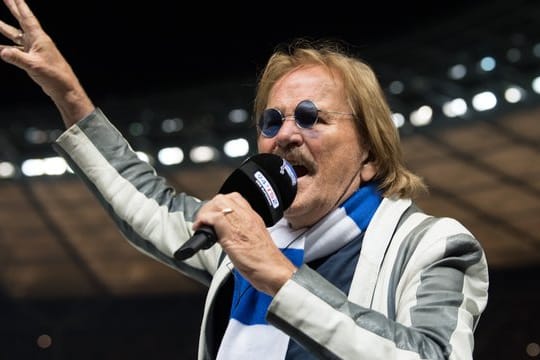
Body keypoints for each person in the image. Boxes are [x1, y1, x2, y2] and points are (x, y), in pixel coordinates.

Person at [0, 1, 489, 359]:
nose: (285, 136)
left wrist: (276, 273)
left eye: (310, 117)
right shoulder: (247, 238)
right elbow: (147, 200)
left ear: (371, 157)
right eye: (271, 122)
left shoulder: (433, 245)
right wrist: (66, 91)